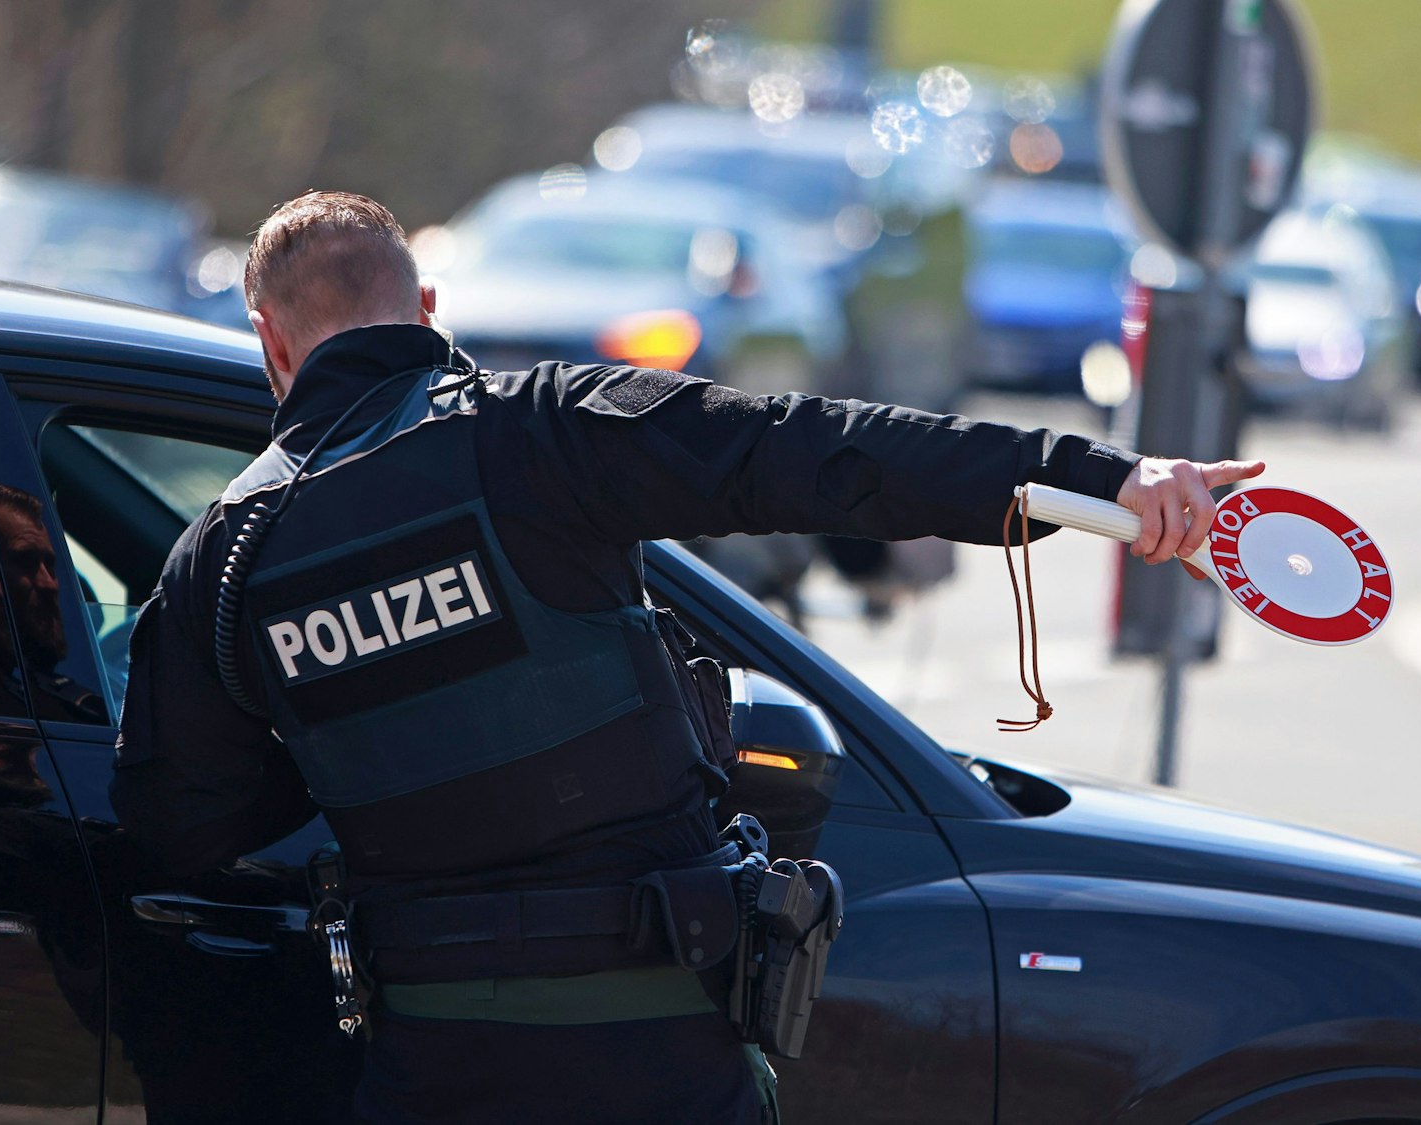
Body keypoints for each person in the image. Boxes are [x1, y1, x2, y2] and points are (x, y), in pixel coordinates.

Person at [111, 191, 1262, 1125]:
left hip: (432, 1061)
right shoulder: (545, 428)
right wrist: (1099, 479)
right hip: (654, 1047)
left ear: (269, 341)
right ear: (427, 306)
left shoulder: (226, 556)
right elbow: (818, 452)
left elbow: (179, 823)